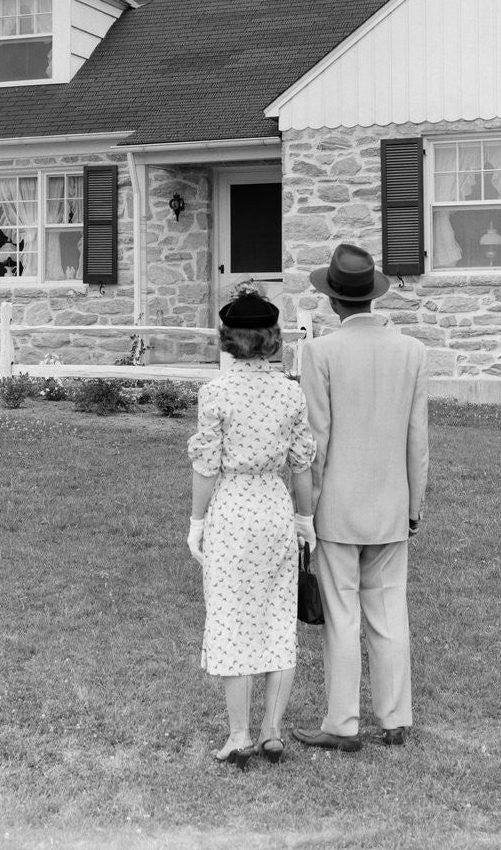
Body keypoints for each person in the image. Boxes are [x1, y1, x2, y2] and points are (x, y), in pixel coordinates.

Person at [292, 244, 429, 752]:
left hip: (337, 509)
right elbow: (418, 440)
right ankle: (396, 719)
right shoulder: (412, 351)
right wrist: (414, 507)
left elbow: (316, 441)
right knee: (390, 612)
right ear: (372, 296)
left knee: (343, 616)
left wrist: (307, 510)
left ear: (332, 301)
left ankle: (343, 723)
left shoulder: (320, 352)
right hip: (392, 502)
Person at [187, 291, 317, 769]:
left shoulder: (216, 392)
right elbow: (301, 463)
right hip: (275, 508)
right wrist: (305, 520)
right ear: (271, 340)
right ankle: (272, 731)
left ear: (228, 340)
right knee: (277, 617)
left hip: (233, 508)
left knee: (231, 618)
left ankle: (239, 733)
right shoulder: (290, 391)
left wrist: (197, 523)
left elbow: (206, 465)